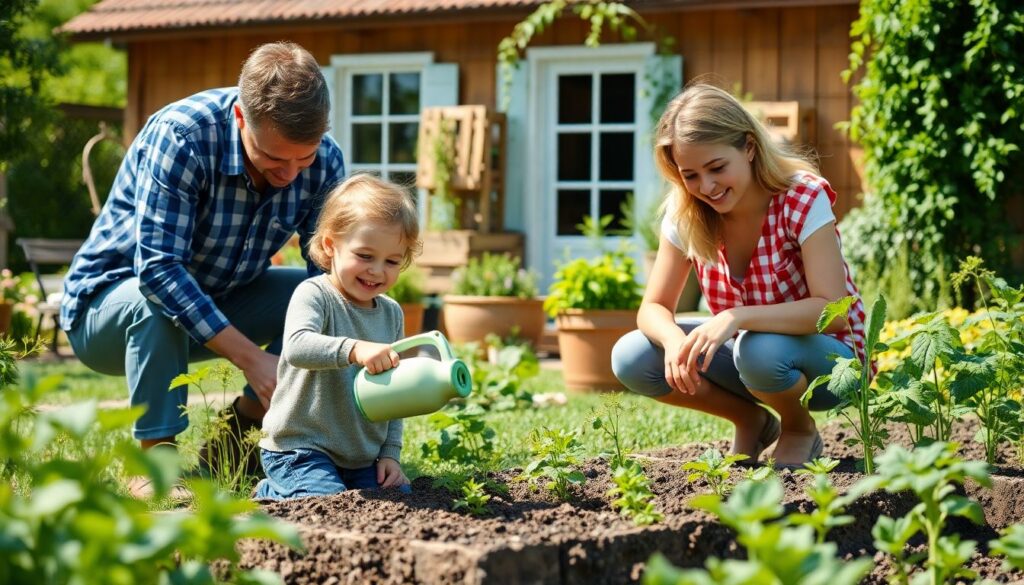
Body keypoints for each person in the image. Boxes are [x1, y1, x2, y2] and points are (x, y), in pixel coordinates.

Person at [60, 41, 346, 496]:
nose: (291, 173)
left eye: (303, 157)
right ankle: (154, 463)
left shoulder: (326, 160)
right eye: (274, 158)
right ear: (240, 119)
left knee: (319, 296)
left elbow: (327, 272)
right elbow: (158, 271)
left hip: (219, 300)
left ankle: (240, 434)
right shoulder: (183, 137)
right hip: (107, 310)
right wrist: (254, 360)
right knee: (155, 299)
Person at [610, 84, 867, 468]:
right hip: (751, 354)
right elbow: (654, 307)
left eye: (716, 168)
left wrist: (736, 317)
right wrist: (671, 340)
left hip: (834, 361)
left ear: (748, 147)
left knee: (758, 348)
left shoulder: (802, 198)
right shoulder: (687, 213)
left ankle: (799, 428)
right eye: (690, 175)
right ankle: (752, 420)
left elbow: (833, 310)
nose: (706, 187)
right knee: (632, 355)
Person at [254, 174, 419, 500]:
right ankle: (271, 492)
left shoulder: (391, 313)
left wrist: (390, 454)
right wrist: (354, 349)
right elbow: (298, 346)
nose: (376, 270)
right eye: (365, 256)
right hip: (299, 448)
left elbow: (395, 395)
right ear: (331, 245)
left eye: (392, 261)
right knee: (328, 503)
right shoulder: (315, 294)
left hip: (359, 455)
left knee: (399, 496)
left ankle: (291, 489)